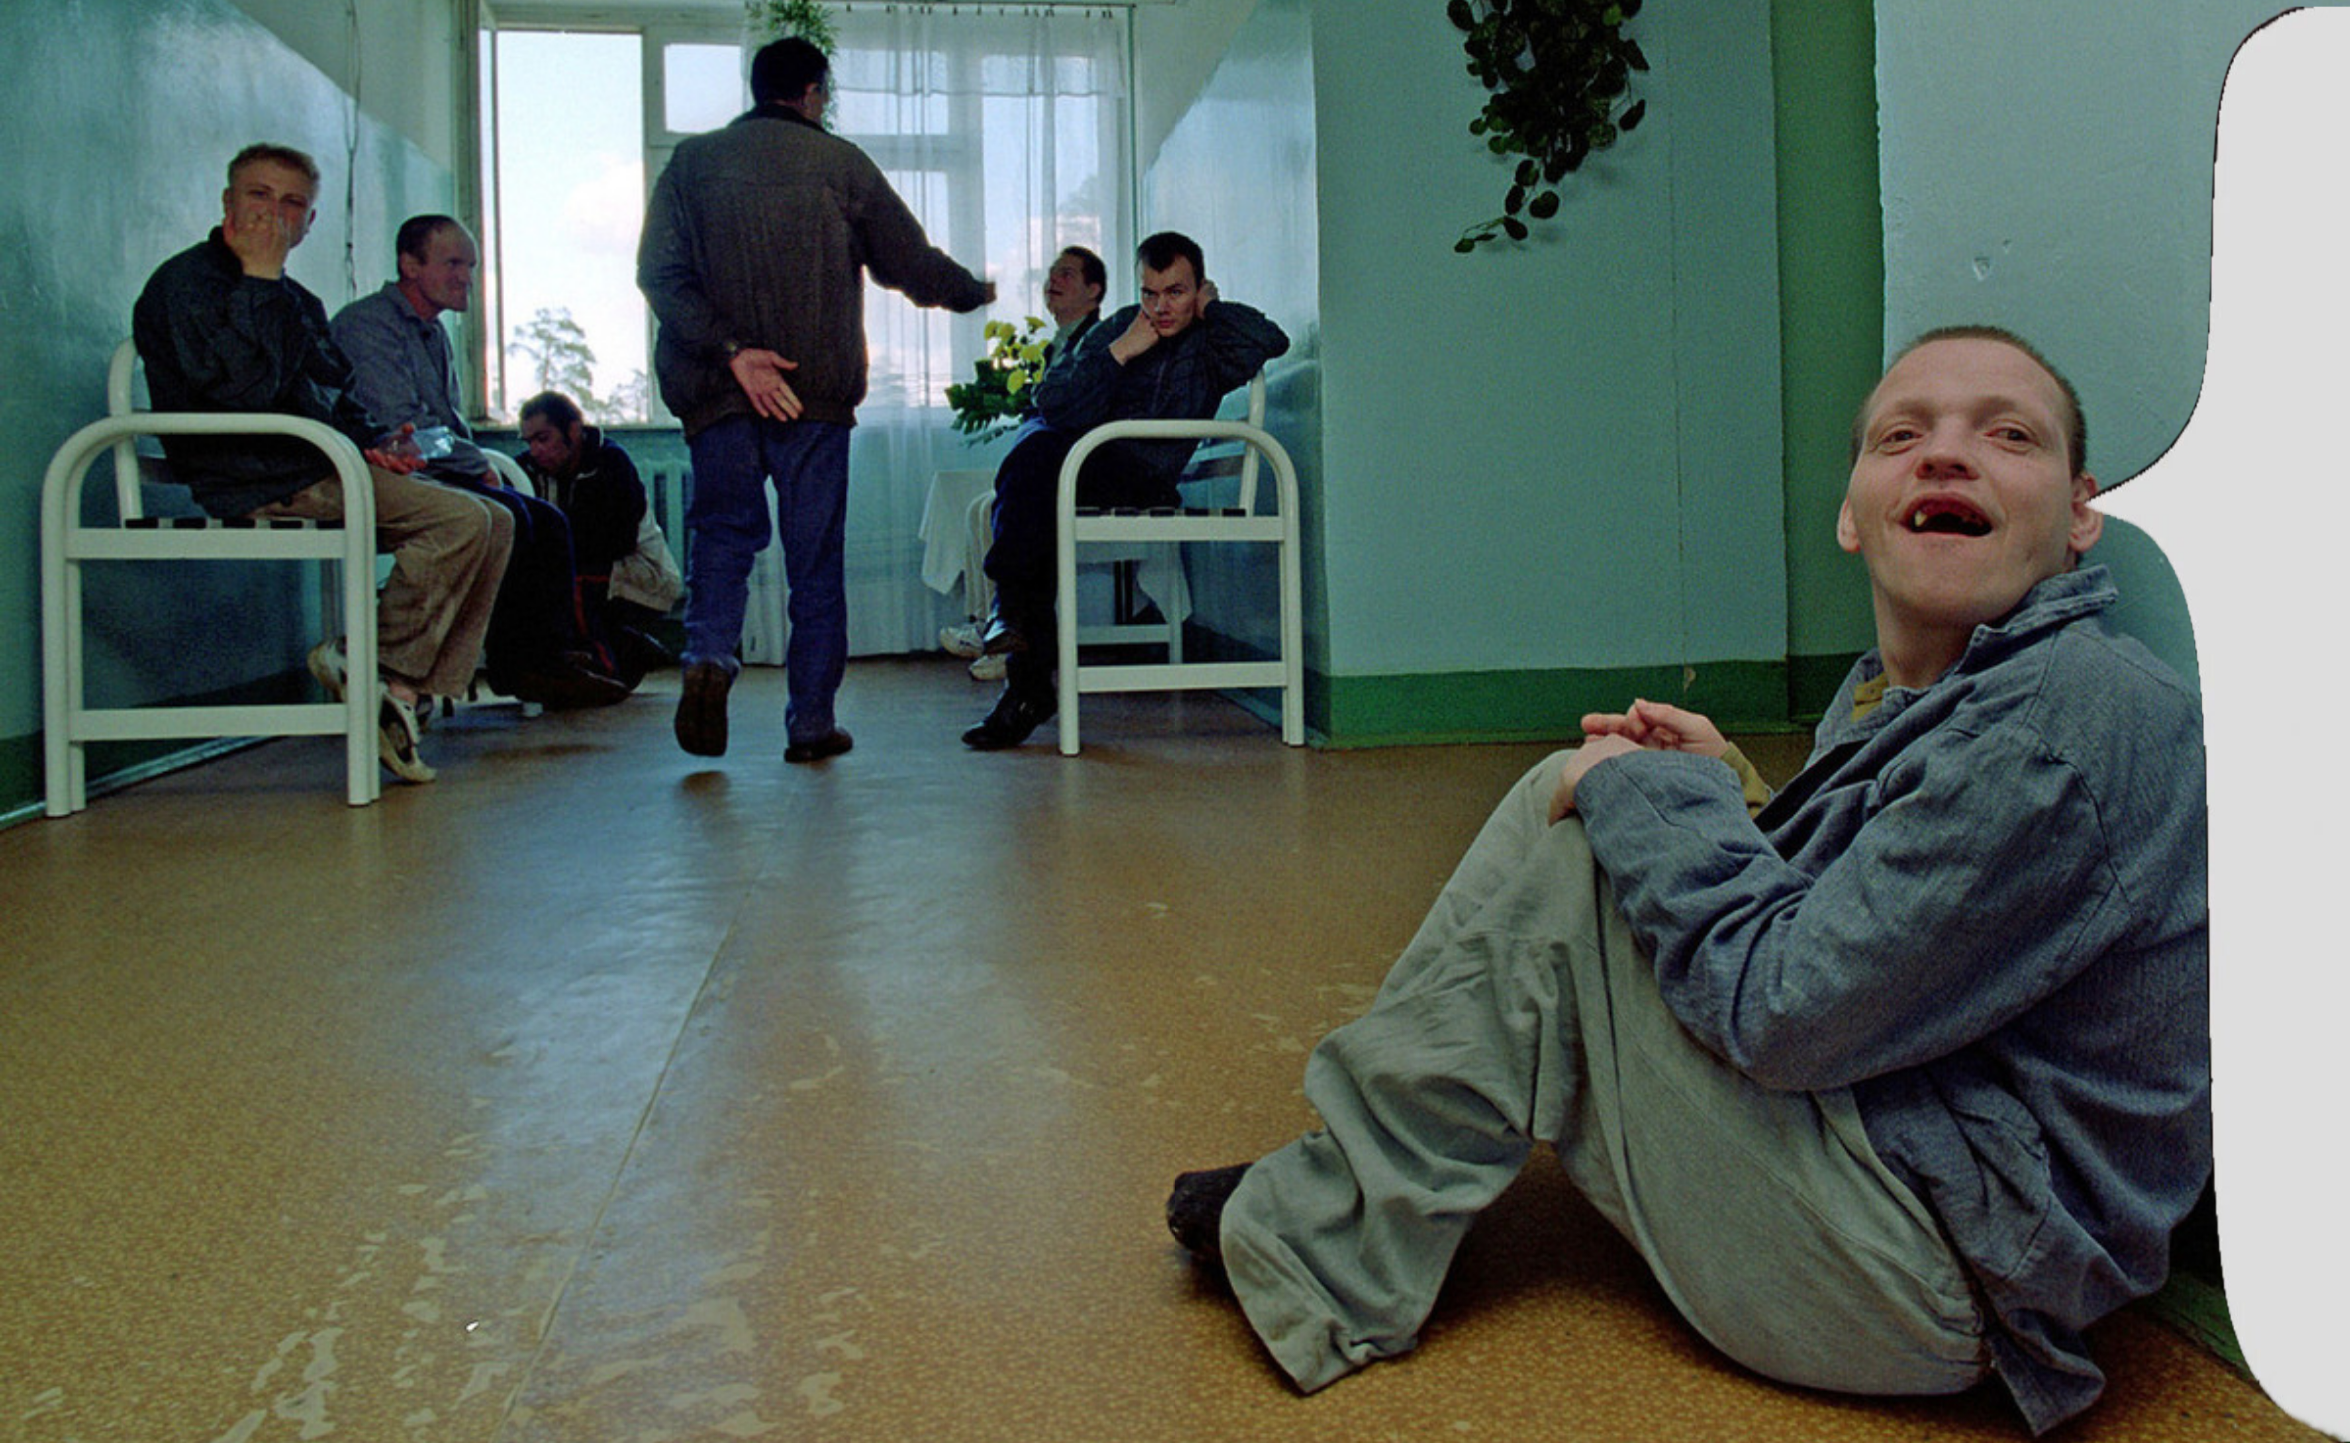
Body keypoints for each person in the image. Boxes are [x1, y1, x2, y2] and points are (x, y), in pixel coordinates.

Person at [1166, 328, 2208, 1437]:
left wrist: (1656, 804)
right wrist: (1733, 793)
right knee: (1587, 796)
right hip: (1918, 1179)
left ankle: (1328, 1239)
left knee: (1583, 845)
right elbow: (1884, 928)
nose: (1946, 455)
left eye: (2009, 436)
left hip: (1939, 1276)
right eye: (1903, 436)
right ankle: (1347, 1186)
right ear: (1852, 515)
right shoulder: (1925, 691)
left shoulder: (2060, 719)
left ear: (2081, 513)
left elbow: (1788, 1014)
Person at [638, 35, 995, 764]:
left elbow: (661, 276)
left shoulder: (691, 163)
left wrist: (733, 350)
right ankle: (810, 724)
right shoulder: (840, 164)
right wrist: (974, 290)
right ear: (813, 92)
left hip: (718, 392)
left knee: (723, 536)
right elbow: (910, 262)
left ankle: (707, 658)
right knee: (815, 561)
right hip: (815, 398)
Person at [132, 143, 515, 784]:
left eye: (292, 203)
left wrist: (378, 442)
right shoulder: (187, 284)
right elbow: (242, 395)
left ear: (308, 222)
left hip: (316, 466)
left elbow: (333, 395)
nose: (273, 214)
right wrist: (259, 280)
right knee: (462, 521)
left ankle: (400, 694)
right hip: (252, 476)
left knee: (496, 519)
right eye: (258, 196)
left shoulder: (298, 301)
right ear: (228, 203)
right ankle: (371, 665)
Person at [962, 231, 1289, 750]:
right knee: (1036, 472)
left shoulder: (1210, 341)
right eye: (1150, 293)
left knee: (1035, 467)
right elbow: (1052, 400)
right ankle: (1023, 669)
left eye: (1176, 292)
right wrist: (1120, 352)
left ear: (1197, 288)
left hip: (1143, 478)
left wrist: (1211, 308)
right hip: (1084, 465)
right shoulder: (1119, 327)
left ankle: (1019, 657)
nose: (1161, 308)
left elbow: (1269, 340)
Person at [332, 215, 626, 710]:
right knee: (518, 517)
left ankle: (544, 660)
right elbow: (402, 428)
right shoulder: (368, 325)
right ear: (410, 265)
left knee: (548, 522)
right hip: (392, 473)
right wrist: (474, 465)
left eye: (470, 266)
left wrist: (471, 461)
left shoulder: (434, 334)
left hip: (436, 472)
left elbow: (450, 426)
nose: (466, 277)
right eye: (453, 263)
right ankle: (522, 665)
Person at [941, 244, 1109, 674]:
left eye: (1067, 273)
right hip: (1062, 459)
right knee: (984, 507)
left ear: (1094, 290)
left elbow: (1074, 410)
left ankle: (1008, 633)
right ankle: (993, 625)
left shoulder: (1099, 341)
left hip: (1085, 462)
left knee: (1016, 490)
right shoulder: (1058, 347)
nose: (1053, 280)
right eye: (1052, 273)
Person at [516, 389, 683, 687]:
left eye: (543, 439)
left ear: (573, 431)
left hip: (643, 572)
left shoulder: (610, 463)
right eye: (529, 442)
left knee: (575, 579)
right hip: (585, 570)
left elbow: (618, 542)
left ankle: (604, 675)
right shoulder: (528, 468)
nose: (536, 451)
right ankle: (623, 648)